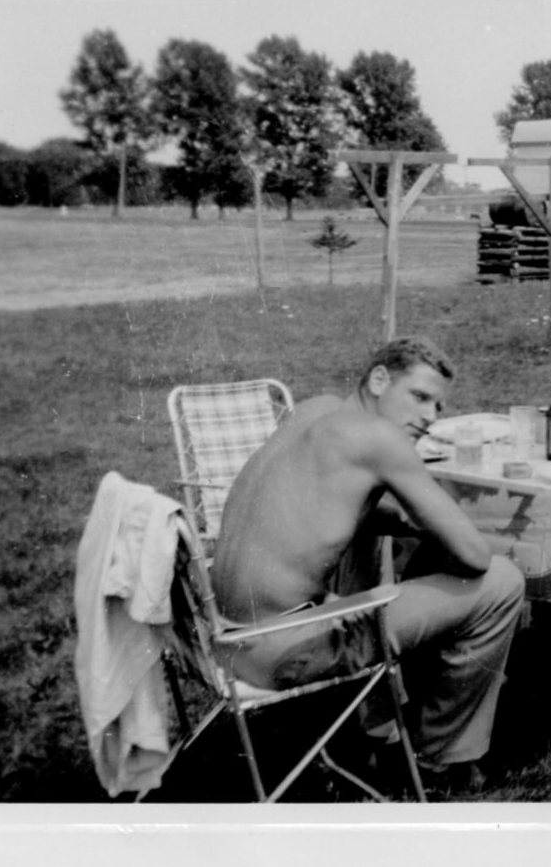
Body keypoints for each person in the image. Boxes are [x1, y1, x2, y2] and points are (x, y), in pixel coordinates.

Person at [210, 336, 526, 792]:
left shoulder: (316, 410)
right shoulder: (379, 439)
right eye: (419, 397)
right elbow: (475, 557)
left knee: (376, 533)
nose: (431, 417)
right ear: (379, 380)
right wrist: (431, 521)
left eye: (438, 406)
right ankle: (439, 760)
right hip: (283, 654)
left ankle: (375, 729)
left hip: (225, 639)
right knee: (503, 581)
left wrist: (410, 523)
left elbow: (323, 507)